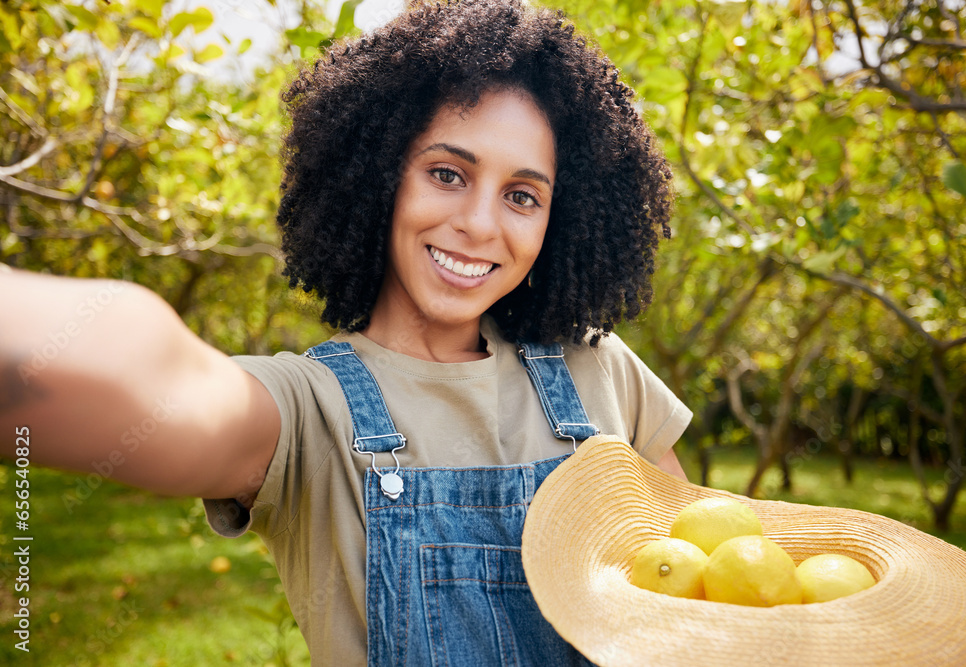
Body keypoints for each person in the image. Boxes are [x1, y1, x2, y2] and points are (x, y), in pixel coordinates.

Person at [0, 0, 691, 664]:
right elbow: (153, 376)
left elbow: (704, 592)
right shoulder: (311, 414)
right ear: (380, 176)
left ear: (557, 221)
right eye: (448, 173)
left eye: (522, 195)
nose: (481, 224)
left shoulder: (602, 371)